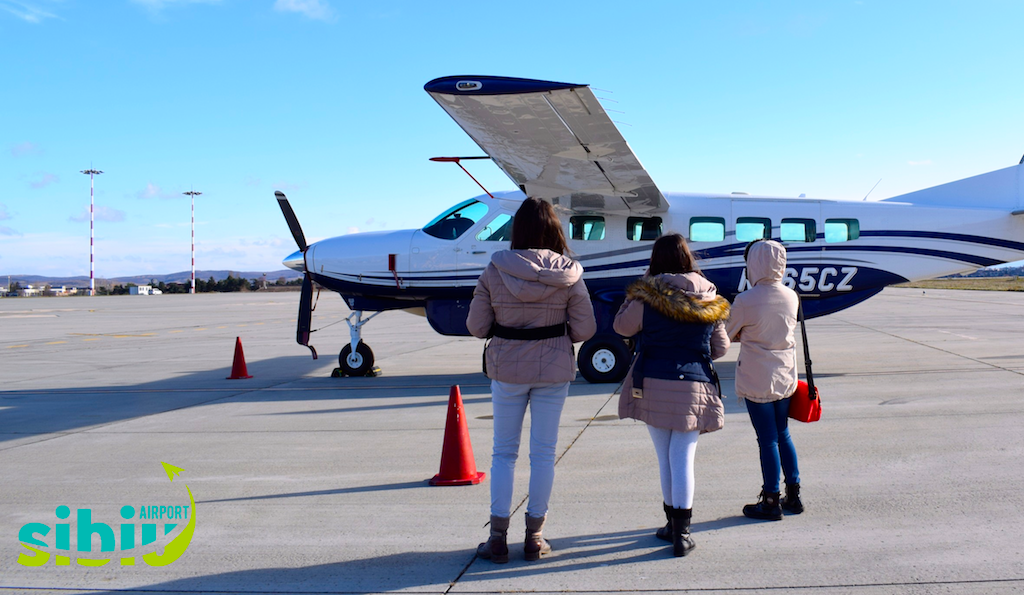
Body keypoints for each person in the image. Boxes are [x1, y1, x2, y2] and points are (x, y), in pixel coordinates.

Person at [466, 197, 596, 563]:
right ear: (554, 229)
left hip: (507, 368)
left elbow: (476, 327)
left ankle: (496, 537)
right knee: (543, 454)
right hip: (553, 369)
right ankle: (535, 537)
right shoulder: (570, 273)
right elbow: (586, 328)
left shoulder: (494, 270)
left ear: (517, 229)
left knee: (503, 453)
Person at [613, 233, 730, 557]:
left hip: (651, 381)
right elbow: (720, 347)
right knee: (683, 458)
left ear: (657, 261)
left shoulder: (647, 295)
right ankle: (683, 532)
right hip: (693, 385)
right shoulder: (711, 298)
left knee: (665, 458)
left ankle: (670, 524)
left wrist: (633, 294)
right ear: (688, 259)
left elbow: (622, 327)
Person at [726, 239, 804, 521]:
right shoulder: (791, 296)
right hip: (785, 376)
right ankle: (793, 494)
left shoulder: (745, 300)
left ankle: (771, 500)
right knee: (783, 434)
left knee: (767, 440)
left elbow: (727, 334)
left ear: (753, 265)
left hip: (757, 378)